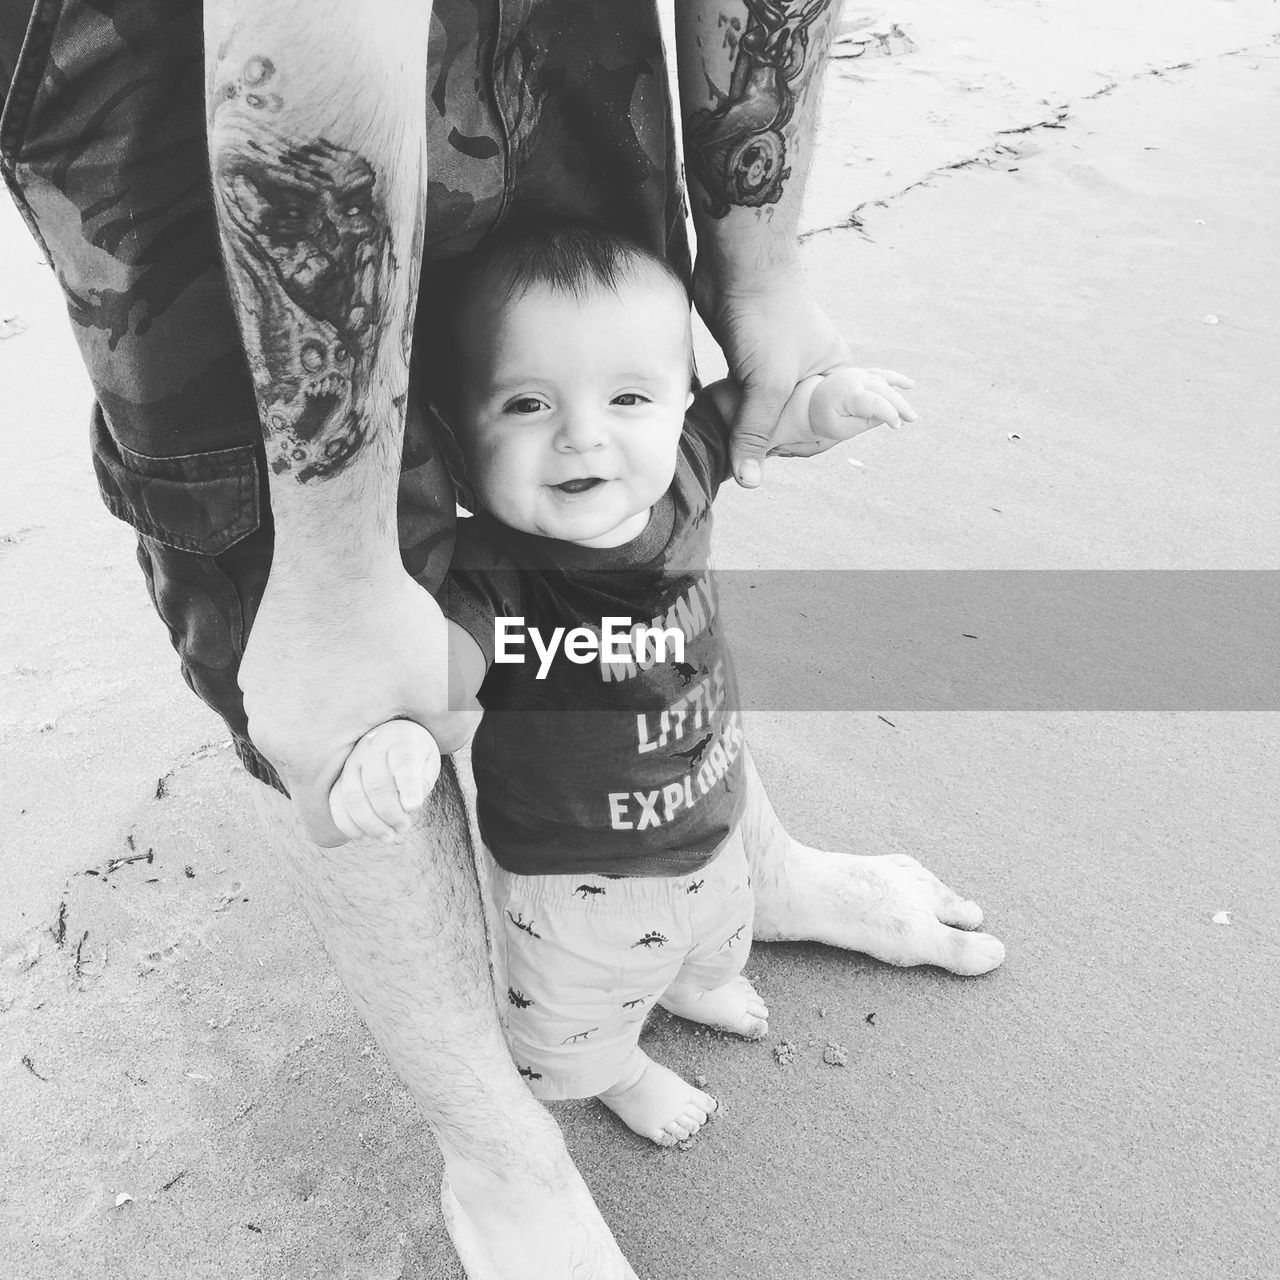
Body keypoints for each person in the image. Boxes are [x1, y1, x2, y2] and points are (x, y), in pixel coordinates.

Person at [1, 2, 1003, 1275]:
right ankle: (500, 1151)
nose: (592, 435)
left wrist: (758, 262)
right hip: (180, 48)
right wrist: (339, 577)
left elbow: (677, 444)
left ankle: (745, 863)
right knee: (331, 620)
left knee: (587, 358)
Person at [330, 222, 923, 1148]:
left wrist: (826, 406)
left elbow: (753, 419)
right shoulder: (495, 572)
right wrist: (403, 732)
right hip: (579, 878)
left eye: (629, 396)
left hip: (710, 810)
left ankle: (692, 981)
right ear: (454, 430)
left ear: (678, 402)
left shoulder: (684, 470)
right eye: (527, 404)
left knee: (716, 935)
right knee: (573, 1016)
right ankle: (620, 1071)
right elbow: (445, 672)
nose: (581, 435)